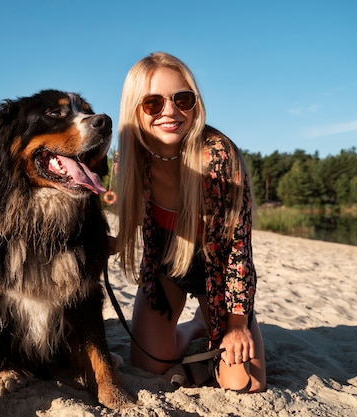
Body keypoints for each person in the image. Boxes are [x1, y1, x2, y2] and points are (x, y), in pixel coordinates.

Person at [113, 52, 267, 392]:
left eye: (182, 99)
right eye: (153, 103)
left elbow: (240, 250)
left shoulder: (219, 156)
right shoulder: (129, 158)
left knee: (244, 384)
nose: (170, 111)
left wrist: (237, 324)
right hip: (167, 266)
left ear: (194, 104)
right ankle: (197, 326)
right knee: (150, 364)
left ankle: (212, 318)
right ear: (134, 110)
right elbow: (132, 220)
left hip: (220, 273)